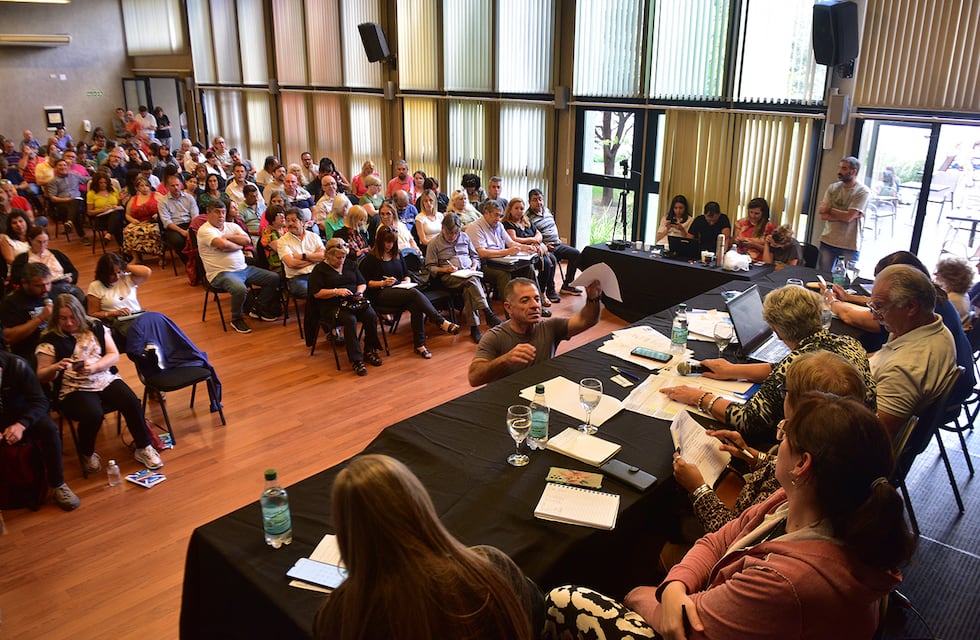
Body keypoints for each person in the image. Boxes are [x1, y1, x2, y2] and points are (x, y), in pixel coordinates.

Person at [547, 395, 915, 640]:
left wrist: (638, 594)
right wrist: (675, 585)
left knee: (564, 599)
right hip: (715, 603)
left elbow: (685, 627)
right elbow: (721, 538)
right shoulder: (796, 500)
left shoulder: (786, 582)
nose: (778, 443)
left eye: (785, 435)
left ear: (803, 465)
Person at [312, 454, 541, 640]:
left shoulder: (337, 615)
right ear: (418, 503)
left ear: (347, 532)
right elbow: (534, 616)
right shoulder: (488, 567)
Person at [673, 351, 868, 536]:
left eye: (785, 391)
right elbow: (776, 464)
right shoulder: (834, 452)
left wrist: (698, 489)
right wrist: (752, 455)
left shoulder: (792, 484)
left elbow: (736, 536)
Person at [662, 285, 875, 449]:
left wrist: (699, 397)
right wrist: (733, 370)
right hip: (858, 440)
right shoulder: (849, 343)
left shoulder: (797, 362)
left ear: (777, 332)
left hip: (819, 450)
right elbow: (779, 369)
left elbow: (748, 419)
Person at [36, 294, 164, 473]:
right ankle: (86, 453)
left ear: (80, 314)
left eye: (73, 317)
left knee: (131, 402)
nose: (69, 323)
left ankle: (144, 447)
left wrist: (95, 367)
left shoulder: (95, 326)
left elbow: (113, 355)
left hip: (103, 376)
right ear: (56, 318)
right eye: (63, 318)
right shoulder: (49, 339)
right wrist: (55, 367)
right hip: (73, 387)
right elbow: (41, 375)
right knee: (93, 414)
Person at [868, 264, 957, 439]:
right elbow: (882, 357)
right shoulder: (934, 328)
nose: (874, 316)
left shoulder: (904, 368)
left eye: (880, 307)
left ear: (911, 307)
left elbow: (874, 437)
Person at [468, 277, 603, 386]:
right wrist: (505, 359)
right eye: (525, 301)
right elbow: (474, 378)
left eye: (537, 299)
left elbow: (586, 320)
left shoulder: (551, 326)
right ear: (509, 308)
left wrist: (593, 298)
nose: (534, 305)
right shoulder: (494, 337)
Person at [360, 226, 460, 359]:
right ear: (380, 241)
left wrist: (406, 281)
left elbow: (406, 274)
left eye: (392, 242)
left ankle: (420, 345)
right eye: (387, 242)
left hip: (399, 291)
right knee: (413, 294)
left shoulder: (397, 255)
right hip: (380, 294)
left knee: (415, 305)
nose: (389, 245)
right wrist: (383, 283)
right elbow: (366, 283)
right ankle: (440, 321)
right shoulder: (371, 259)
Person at [1, 350, 80, 511]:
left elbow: (40, 401)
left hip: (23, 414)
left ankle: (58, 484)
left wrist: (21, 424)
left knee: (49, 429)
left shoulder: (18, 365)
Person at [196, 201, 282, 334]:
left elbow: (247, 240)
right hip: (221, 273)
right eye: (217, 212)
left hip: (243, 268)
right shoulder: (205, 230)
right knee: (240, 289)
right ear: (208, 212)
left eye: (223, 212)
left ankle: (257, 308)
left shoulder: (232, 226)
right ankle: (236, 318)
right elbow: (222, 244)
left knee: (274, 278)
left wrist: (228, 237)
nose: (221, 215)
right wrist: (238, 246)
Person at [308, 238, 383, 376]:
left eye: (343, 257)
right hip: (332, 305)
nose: (341, 260)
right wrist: (336, 291)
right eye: (338, 257)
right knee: (350, 320)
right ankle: (356, 359)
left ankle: (370, 350)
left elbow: (362, 283)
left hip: (352, 302)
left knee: (371, 315)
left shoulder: (349, 264)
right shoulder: (319, 270)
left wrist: (359, 293)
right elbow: (317, 293)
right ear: (328, 255)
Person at [425, 213, 501, 343]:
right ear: (442, 228)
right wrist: (445, 269)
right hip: (449, 277)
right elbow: (430, 267)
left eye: (456, 233)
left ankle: (475, 328)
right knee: (472, 281)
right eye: (449, 233)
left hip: (468, 274)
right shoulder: (434, 243)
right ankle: (487, 312)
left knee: (469, 286)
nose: (453, 236)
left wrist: (474, 266)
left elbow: (475, 256)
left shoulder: (465, 237)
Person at [466, 200, 536, 302]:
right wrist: (507, 252)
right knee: (503, 274)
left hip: (502, 261)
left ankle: (534, 302)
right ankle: (509, 307)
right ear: (486, 213)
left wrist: (525, 247)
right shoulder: (475, 227)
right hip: (485, 264)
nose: (498, 219)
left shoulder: (499, 225)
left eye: (500, 215)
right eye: (496, 215)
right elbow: (482, 253)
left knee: (528, 267)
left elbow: (510, 243)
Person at [502, 197, 558, 309]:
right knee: (544, 264)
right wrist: (531, 240)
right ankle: (537, 295)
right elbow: (514, 239)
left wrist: (536, 239)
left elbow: (538, 233)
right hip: (520, 252)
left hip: (533, 251)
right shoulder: (507, 224)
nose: (519, 211)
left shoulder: (526, 221)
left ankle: (543, 291)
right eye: (516, 208)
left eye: (522, 208)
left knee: (550, 260)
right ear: (510, 209)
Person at [817, 156, 871, 272]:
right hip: (828, 240)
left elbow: (848, 217)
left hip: (849, 245)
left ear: (854, 171)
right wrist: (847, 215)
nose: (839, 171)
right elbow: (823, 214)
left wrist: (830, 209)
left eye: (844, 169)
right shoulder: (833, 188)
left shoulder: (862, 191)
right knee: (823, 276)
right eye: (840, 167)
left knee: (846, 279)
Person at [86, 253, 151, 347]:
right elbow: (92, 313)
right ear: (104, 273)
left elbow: (147, 272)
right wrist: (114, 313)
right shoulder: (96, 286)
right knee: (143, 334)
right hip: (120, 320)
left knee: (158, 323)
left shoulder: (127, 278)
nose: (117, 276)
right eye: (112, 274)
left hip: (138, 315)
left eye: (119, 272)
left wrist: (123, 265)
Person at [526, 188, 582, 296]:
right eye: (535, 200)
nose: (538, 202)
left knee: (575, 253)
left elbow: (551, 226)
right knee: (552, 260)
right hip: (544, 249)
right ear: (529, 202)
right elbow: (530, 238)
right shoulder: (527, 218)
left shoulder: (546, 210)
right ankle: (550, 291)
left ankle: (568, 285)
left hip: (557, 244)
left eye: (540, 199)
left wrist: (556, 238)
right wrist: (544, 246)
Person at [10, 227, 84, 303]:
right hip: (40, 289)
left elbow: (73, 271)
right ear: (31, 240)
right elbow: (16, 278)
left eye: (45, 241)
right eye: (39, 242)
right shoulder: (22, 259)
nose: (42, 245)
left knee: (77, 293)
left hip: (62, 284)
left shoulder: (56, 254)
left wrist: (71, 278)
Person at [0, 262, 53, 365]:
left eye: (48, 283)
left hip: (55, 345)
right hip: (30, 351)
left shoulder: (53, 292)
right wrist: (40, 319)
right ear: (24, 283)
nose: (46, 289)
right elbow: (8, 337)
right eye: (39, 285)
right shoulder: (11, 302)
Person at [275, 208, 325, 299]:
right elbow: (291, 263)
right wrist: (314, 259)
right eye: (288, 221)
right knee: (314, 293)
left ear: (302, 222)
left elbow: (323, 256)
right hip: (297, 278)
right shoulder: (282, 241)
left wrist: (303, 256)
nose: (290, 224)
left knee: (335, 284)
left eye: (294, 220)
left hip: (317, 273)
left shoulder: (314, 236)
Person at [122, 177, 164, 266]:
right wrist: (133, 220)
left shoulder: (156, 195)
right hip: (139, 222)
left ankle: (160, 256)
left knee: (154, 231)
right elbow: (127, 214)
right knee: (128, 231)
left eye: (146, 185)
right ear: (137, 187)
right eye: (142, 186)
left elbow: (167, 207)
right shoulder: (134, 199)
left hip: (154, 221)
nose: (145, 188)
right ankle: (136, 258)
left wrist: (159, 214)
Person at [159, 173, 198, 262]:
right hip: (174, 227)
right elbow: (166, 222)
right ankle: (187, 262)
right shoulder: (162, 201)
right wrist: (182, 232)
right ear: (167, 187)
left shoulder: (189, 198)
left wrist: (190, 229)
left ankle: (198, 261)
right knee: (177, 241)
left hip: (190, 224)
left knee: (200, 237)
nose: (176, 188)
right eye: (172, 186)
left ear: (181, 185)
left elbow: (195, 216)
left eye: (177, 185)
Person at [86, 172, 126, 248]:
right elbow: (89, 212)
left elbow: (119, 205)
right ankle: (123, 248)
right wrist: (102, 210)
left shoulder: (113, 190)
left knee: (116, 215)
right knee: (118, 223)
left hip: (115, 215)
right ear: (96, 183)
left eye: (105, 182)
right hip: (101, 218)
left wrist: (118, 204)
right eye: (100, 183)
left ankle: (109, 235)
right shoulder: (91, 193)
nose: (103, 184)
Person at [733, 197, 775, 261]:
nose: (753, 216)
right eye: (751, 212)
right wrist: (737, 241)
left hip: (757, 260)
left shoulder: (769, 226)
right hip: (739, 257)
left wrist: (754, 245)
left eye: (756, 213)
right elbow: (734, 240)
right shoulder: (741, 223)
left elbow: (771, 251)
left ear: (763, 213)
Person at [933, 255, 973, 321]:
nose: (935, 273)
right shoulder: (964, 295)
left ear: (951, 277)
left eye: (939, 271)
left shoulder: (951, 299)